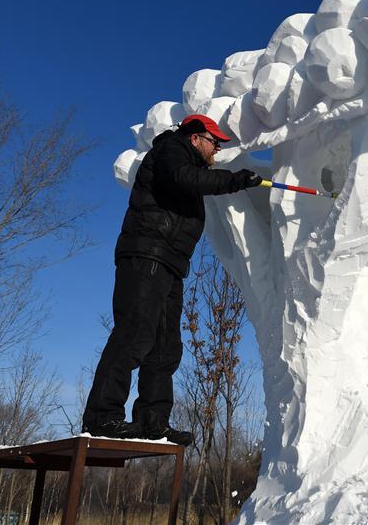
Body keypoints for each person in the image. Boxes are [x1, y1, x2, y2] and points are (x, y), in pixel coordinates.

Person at [82, 114, 262, 445]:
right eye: (214, 142)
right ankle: (102, 416)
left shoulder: (187, 161)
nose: (217, 149)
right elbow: (185, 178)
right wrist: (234, 180)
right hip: (147, 254)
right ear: (195, 137)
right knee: (134, 334)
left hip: (171, 263)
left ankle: (153, 421)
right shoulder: (171, 151)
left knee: (166, 348)